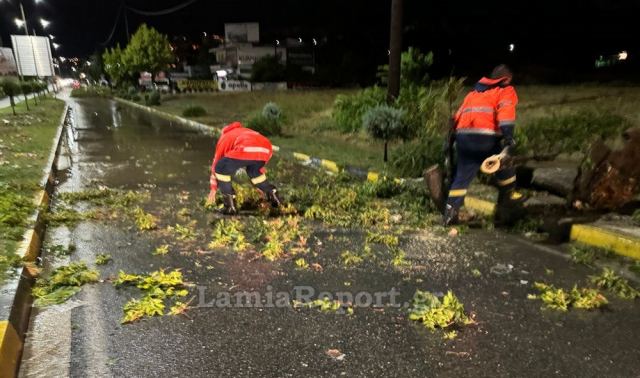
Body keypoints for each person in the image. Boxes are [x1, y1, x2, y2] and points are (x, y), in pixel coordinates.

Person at [443, 64, 523, 226]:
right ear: (506, 79)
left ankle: (450, 213)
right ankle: (508, 204)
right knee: (505, 167)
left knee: (461, 177)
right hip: (486, 140)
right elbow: (506, 114)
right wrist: (509, 138)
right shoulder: (505, 90)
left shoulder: (473, 94)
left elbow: (457, 117)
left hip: (463, 138)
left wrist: (450, 139)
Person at [206, 121, 282, 214]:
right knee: (254, 171)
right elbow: (256, 157)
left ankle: (230, 207)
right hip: (266, 148)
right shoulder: (244, 131)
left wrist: (213, 189)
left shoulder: (224, 138)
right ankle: (273, 195)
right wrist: (260, 187)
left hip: (245, 147)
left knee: (220, 168)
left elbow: (216, 164)